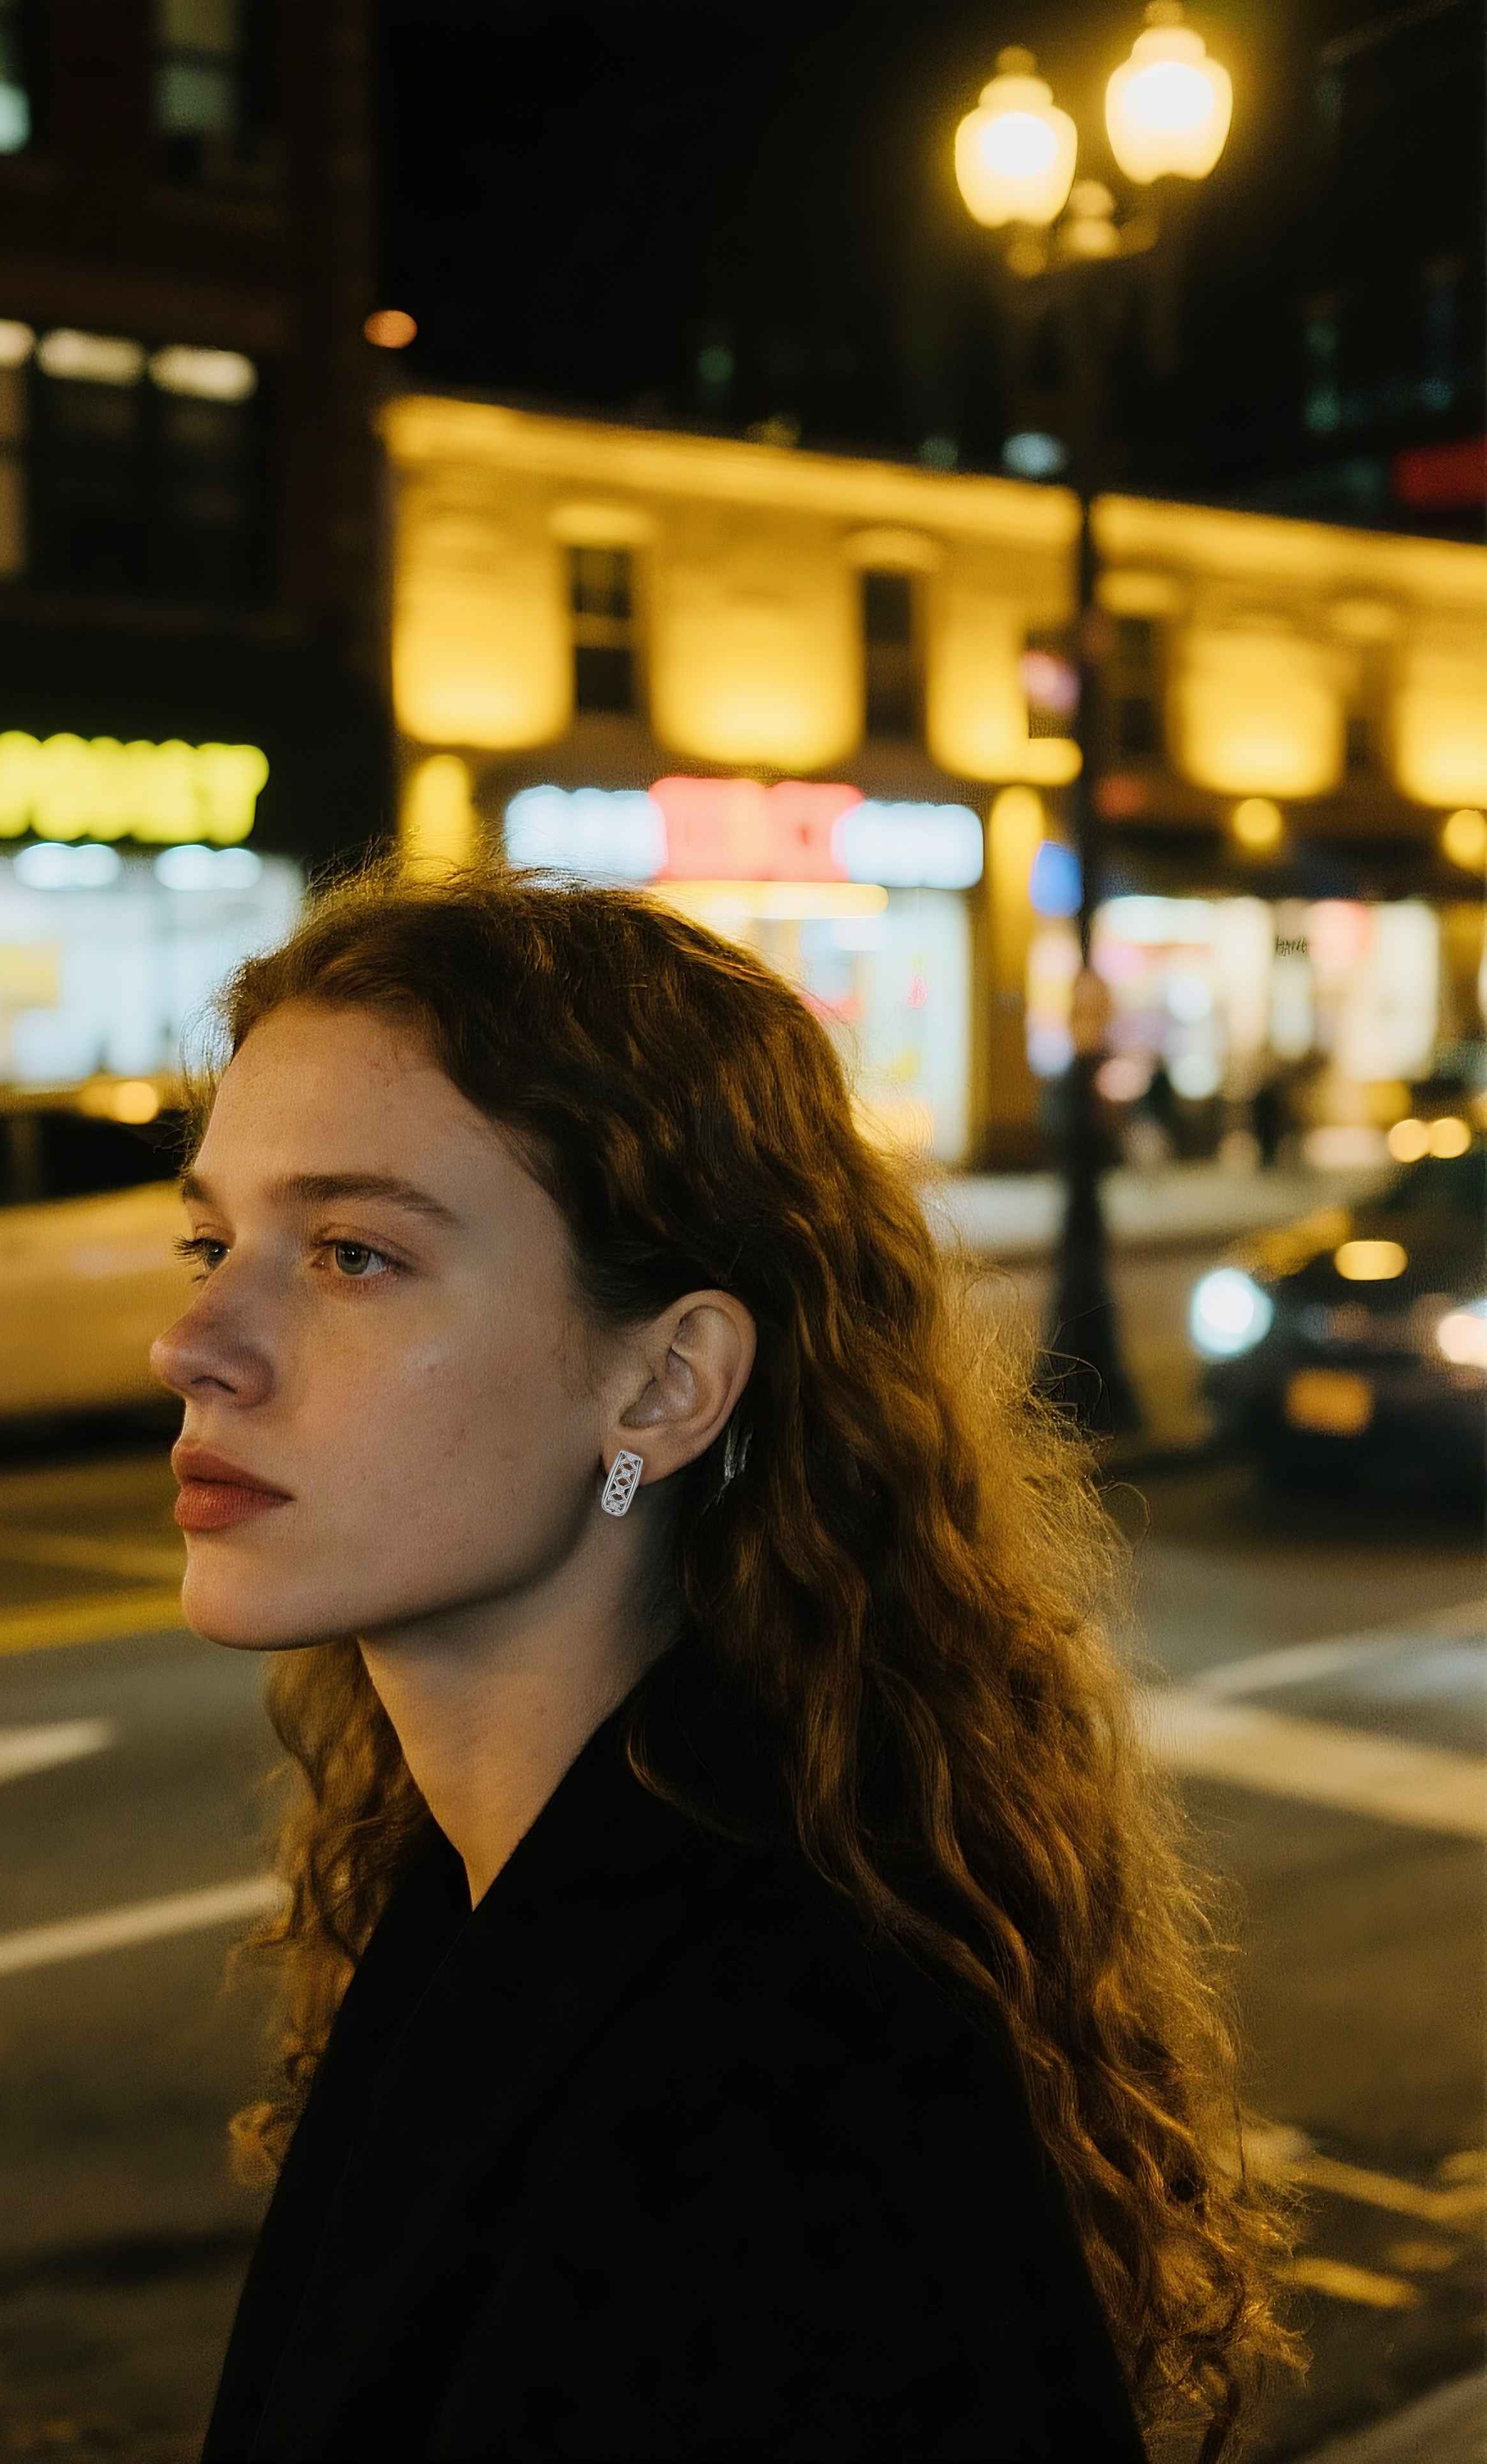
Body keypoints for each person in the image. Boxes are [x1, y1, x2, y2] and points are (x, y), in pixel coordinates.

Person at [152, 858, 1306, 2464]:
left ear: (667, 1385)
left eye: (353, 1252)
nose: (196, 1340)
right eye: (210, 1239)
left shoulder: (783, 2090)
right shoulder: (490, 1885)